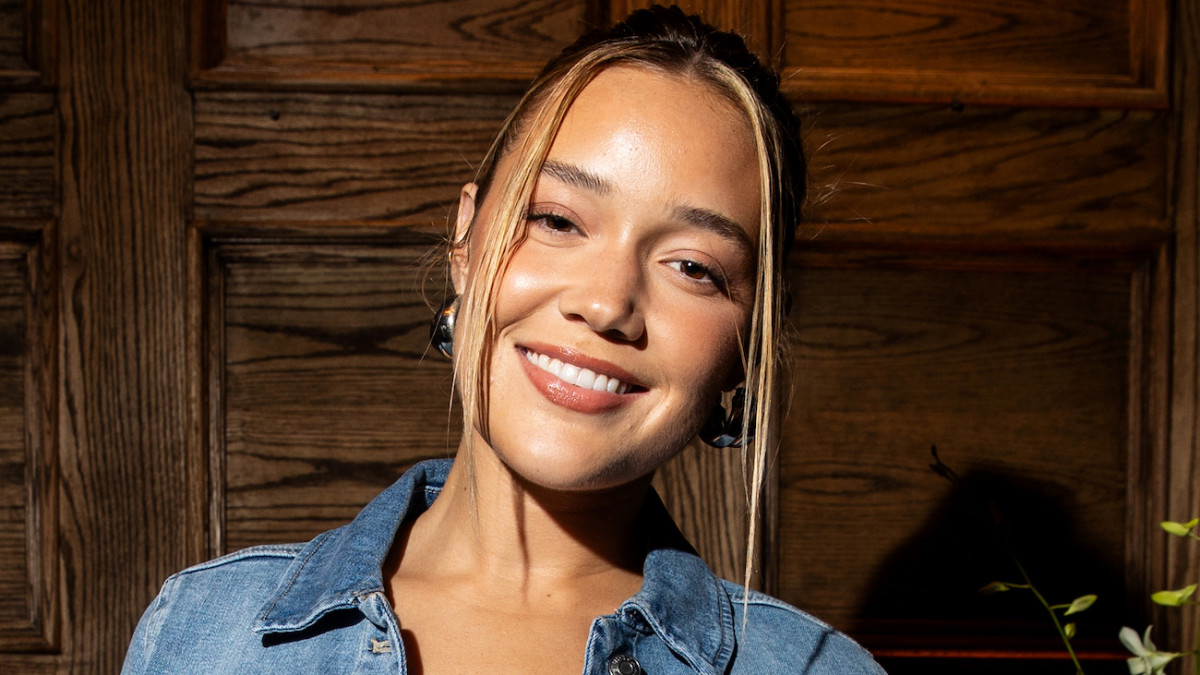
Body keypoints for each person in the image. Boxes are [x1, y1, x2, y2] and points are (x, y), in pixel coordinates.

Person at [122, 6, 885, 674]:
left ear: (747, 341)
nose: (606, 301)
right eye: (556, 220)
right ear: (465, 238)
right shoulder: (203, 633)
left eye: (692, 266)